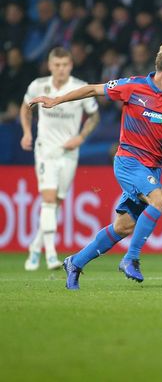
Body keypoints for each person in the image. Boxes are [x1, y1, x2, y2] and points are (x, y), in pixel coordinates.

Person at [29, 44, 162, 290]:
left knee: (124, 226)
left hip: (151, 168)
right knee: (160, 200)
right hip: (128, 161)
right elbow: (92, 89)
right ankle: (131, 258)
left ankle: (75, 262)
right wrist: (57, 100)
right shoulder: (133, 86)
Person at [20, 47, 101, 271]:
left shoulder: (78, 87)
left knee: (56, 202)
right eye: (57, 65)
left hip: (69, 152)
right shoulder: (38, 85)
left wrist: (81, 137)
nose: (61, 69)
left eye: (65, 65)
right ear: (50, 65)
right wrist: (27, 132)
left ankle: (35, 249)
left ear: (71, 66)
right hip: (45, 150)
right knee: (48, 200)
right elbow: (26, 108)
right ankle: (51, 256)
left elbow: (94, 115)